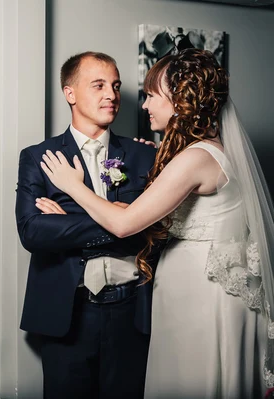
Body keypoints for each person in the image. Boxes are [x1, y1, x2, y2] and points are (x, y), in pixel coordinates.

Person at [37, 48, 273, 398]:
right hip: (188, 295)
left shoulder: (195, 158)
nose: (143, 105)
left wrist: (73, 187)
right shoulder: (201, 152)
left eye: (150, 96)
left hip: (201, 300)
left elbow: (125, 223)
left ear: (179, 100)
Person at [15, 51, 158, 399]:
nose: (111, 94)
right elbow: (33, 233)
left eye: (116, 86)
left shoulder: (145, 155)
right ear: (70, 94)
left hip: (132, 312)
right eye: (98, 85)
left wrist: (68, 222)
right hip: (67, 312)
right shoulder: (40, 157)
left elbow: (155, 230)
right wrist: (121, 218)